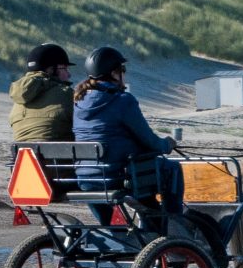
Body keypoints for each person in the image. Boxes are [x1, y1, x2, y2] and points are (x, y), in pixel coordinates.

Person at [71, 47, 181, 219]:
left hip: (85, 177)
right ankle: (175, 221)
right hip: (117, 176)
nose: (124, 74)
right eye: (122, 70)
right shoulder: (123, 100)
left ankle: (113, 228)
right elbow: (149, 140)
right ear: (114, 73)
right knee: (172, 168)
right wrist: (167, 144)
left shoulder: (79, 101)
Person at [10, 43, 75, 141]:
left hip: (21, 148)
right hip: (58, 149)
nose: (68, 74)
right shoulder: (66, 93)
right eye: (64, 68)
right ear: (51, 69)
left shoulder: (19, 99)